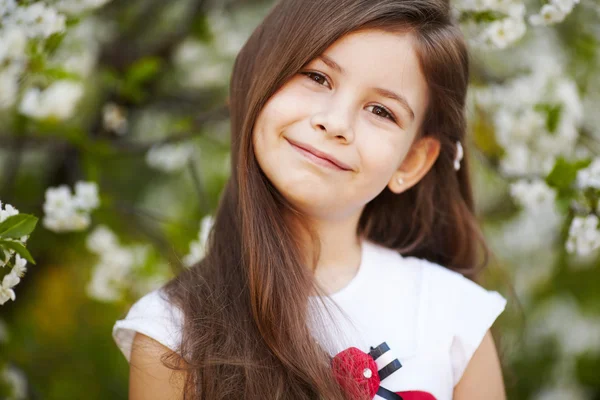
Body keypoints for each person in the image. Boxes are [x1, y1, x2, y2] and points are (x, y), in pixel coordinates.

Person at [112, 0, 508, 398]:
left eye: (380, 111)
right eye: (317, 77)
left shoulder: (453, 317)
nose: (335, 123)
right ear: (258, 79)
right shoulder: (172, 332)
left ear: (412, 160)